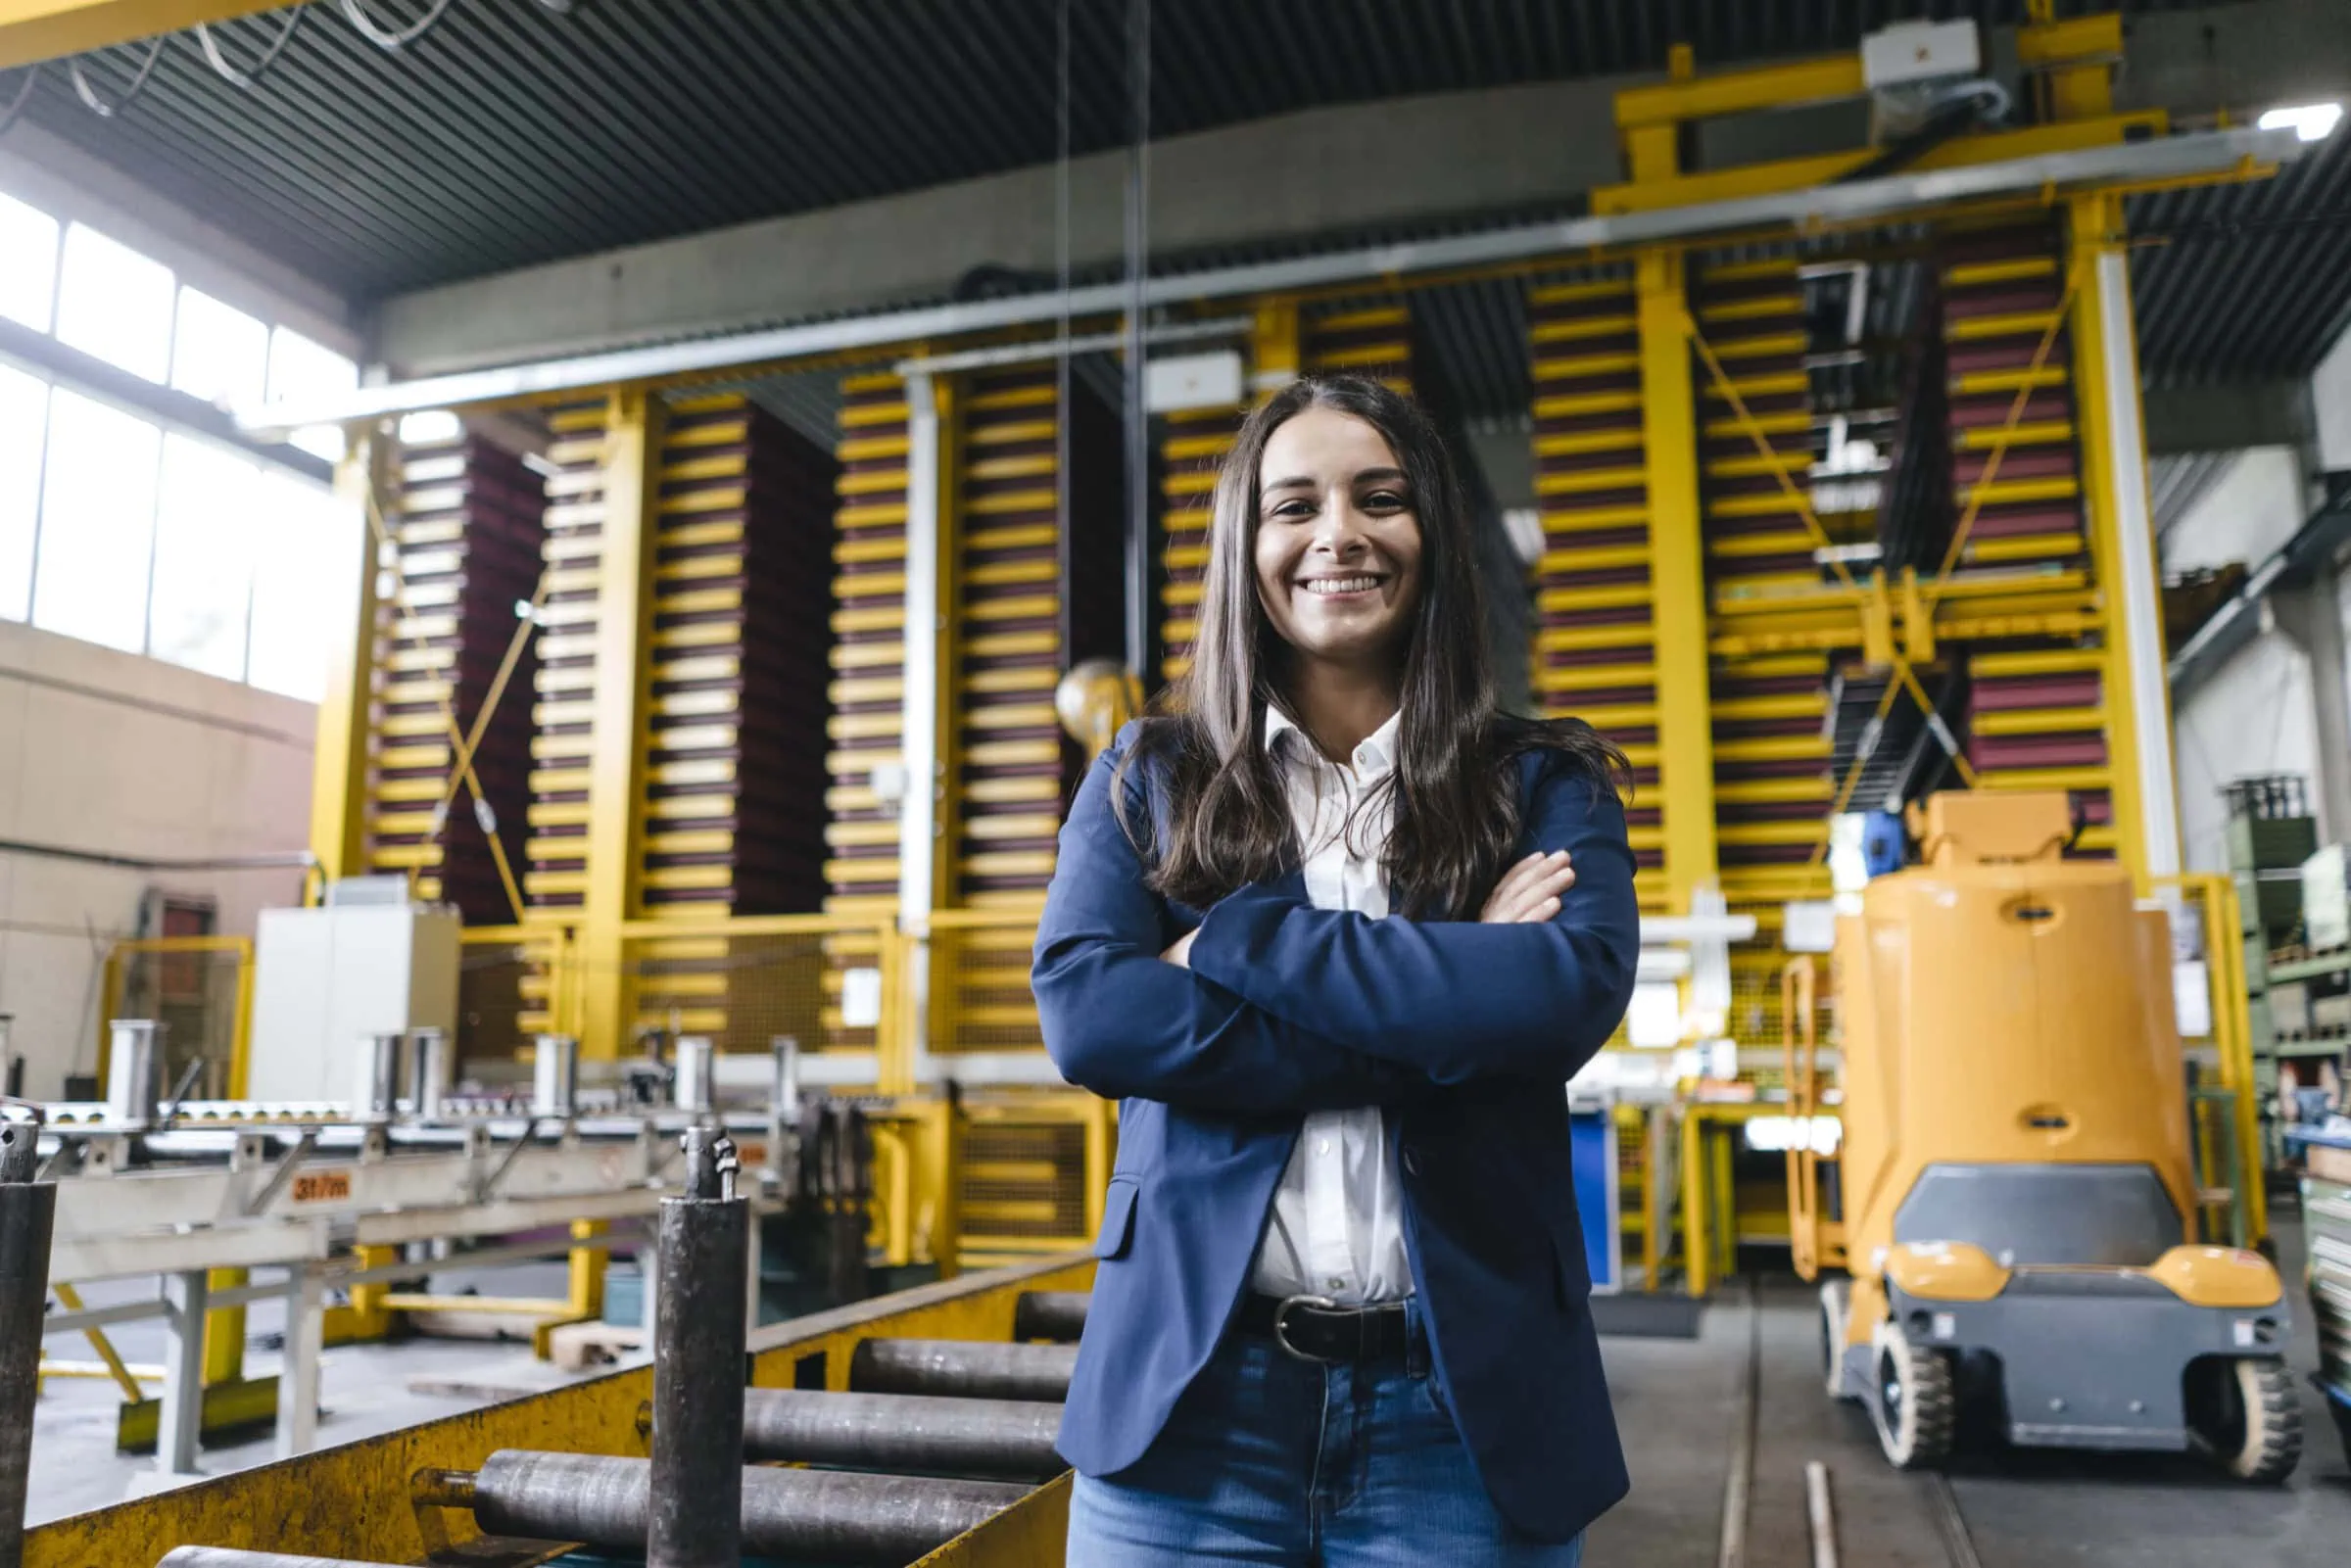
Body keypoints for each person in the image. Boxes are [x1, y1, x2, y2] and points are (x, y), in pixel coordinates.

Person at [1032, 372, 1641, 1566]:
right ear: (1243, 546)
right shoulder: (1150, 774)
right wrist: (1451, 997)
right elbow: (1094, 1018)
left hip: (1460, 1424)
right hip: (1194, 1416)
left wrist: (1243, 945)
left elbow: (1564, 993)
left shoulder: (1542, 784)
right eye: (1292, 504)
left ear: (1434, 538)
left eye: (1380, 497)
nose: (1338, 534)